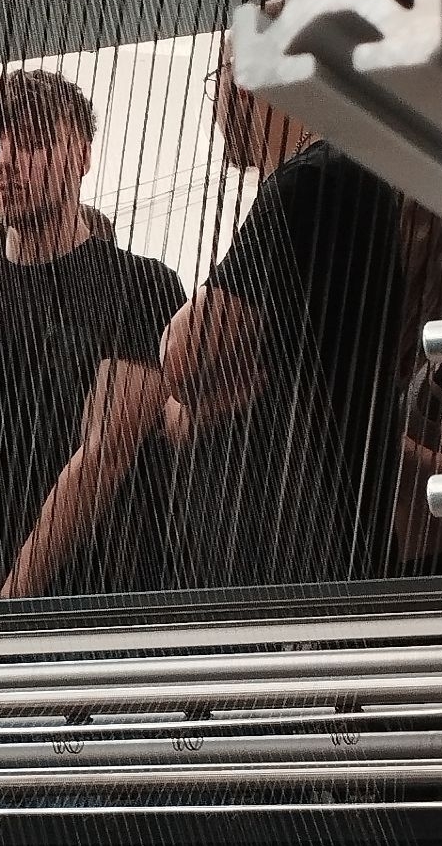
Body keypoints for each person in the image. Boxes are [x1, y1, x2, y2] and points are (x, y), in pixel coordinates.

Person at [0, 68, 184, 603]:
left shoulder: (143, 286)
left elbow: (106, 452)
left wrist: (11, 603)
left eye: (32, 142)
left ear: (82, 156)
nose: (5, 161)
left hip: (103, 607)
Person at [162, 32, 404, 587]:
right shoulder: (354, 177)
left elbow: (180, 361)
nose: (216, 105)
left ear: (243, 82)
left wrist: (201, 397)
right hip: (336, 540)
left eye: (216, 83)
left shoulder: (305, 185)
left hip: (296, 555)